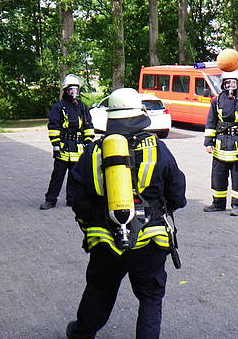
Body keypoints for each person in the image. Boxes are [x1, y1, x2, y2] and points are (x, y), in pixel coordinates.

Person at [66, 88, 187, 339]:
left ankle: (81, 333)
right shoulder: (158, 149)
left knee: (99, 290)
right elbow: (177, 193)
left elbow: (77, 197)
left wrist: (91, 223)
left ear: (111, 117)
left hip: (105, 240)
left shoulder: (93, 151)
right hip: (150, 240)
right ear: (139, 115)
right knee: (150, 297)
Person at [203, 69, 238, 216]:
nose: (230, 85)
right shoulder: (216, 101)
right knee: (218, 176)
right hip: (220, 146)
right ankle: (218, 204)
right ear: (223, 84)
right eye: (227, 82)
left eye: (233, 82)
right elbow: (211, 122)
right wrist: (208, 142)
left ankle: (237, 206)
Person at [40, 74, 94, 210]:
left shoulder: (82, 107)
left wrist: (88, 142)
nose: (74, 92)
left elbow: (88, 126)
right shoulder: (59, 106)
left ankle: (71, 199)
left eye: (76, 89)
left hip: (78, 147)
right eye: (71, 90)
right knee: (57, 175)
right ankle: (50, 200)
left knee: (75, 176)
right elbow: (53, 126)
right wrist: (56, 144)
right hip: (63, 147)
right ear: (66, 90)